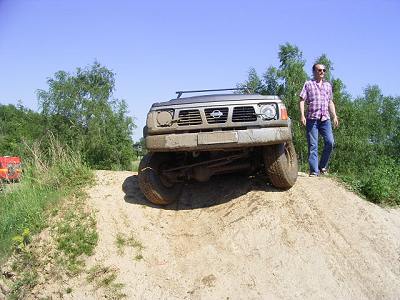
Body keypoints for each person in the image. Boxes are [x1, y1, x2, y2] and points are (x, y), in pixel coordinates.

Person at [299, 63, 339, 176]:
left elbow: (330, 102)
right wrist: (302, 115)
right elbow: (302, 100)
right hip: (312, 119)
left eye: (324, 70)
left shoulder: (328, 86)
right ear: (314, 72)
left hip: (325, 119)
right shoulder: (308, 84)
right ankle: (314, 171)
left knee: (330, 142)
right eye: (320, 70)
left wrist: (334, 116)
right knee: (313, 145)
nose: (322, 72)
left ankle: (322, 166)